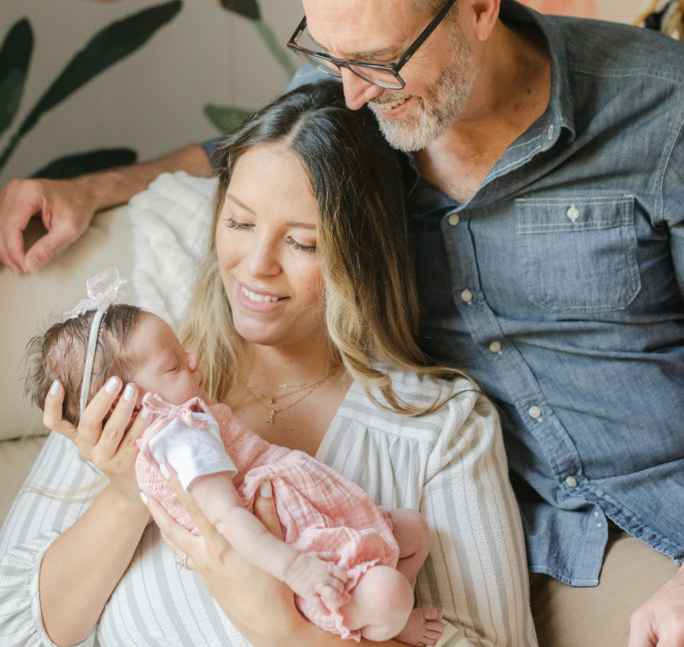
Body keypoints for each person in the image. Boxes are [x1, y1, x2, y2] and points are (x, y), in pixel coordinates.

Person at [4, 0, 681, 646]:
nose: (349, 90)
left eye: (377, 62)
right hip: (502, 526)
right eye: (325, 52)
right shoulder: (353, 96)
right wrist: (97, 187)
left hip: (649, 527)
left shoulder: (659, 114)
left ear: (480, 6)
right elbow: (255, 160)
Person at [0, 81, 536, 647]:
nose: (256, 267)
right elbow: (12, 625)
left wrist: (287, 633)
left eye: (301, 243)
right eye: (239, 223)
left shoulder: (439, 431)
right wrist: (129, 493)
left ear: (362, 256)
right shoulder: (132, 381)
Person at [25, 282, 442, 644]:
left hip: (314, 515)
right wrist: (295, 569)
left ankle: (381, 621)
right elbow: (227, 518)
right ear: (131, 409)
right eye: (173, 365)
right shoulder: (181, 438)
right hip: (292, 552)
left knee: (413, 531)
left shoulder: (193, 418)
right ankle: (359, 616)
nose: (193, 360)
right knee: (391, 593)